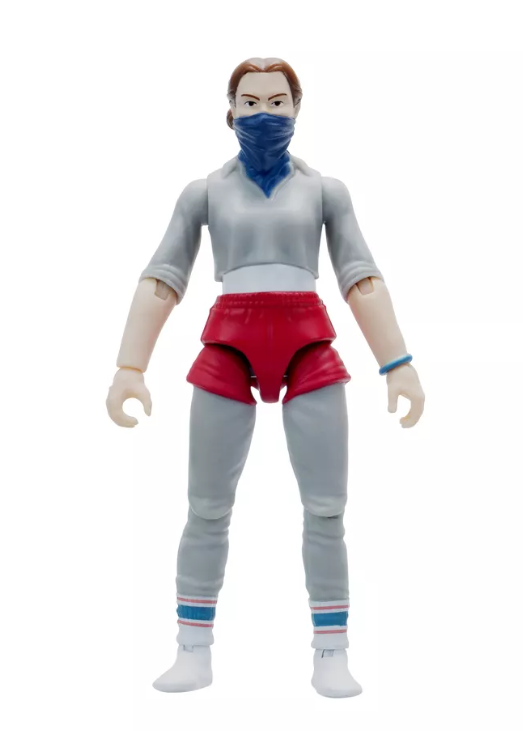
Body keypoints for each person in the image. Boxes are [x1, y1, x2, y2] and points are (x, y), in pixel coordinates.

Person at [106, 57, 425, 698]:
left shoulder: (326, 191)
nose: (264, 114)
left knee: (327, 507)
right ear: (230, 111)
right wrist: (129, 366)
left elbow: (360, 276)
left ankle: (331, 651)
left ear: (297, 108)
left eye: (277, 101)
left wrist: (398, 363)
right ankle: (192, 648)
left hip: (307, 338)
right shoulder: (203, 192)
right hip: (230, 338)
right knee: (206, 506)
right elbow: (163, 278)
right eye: (250, 102)